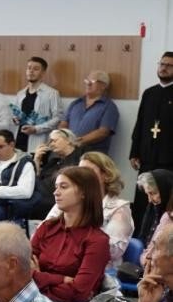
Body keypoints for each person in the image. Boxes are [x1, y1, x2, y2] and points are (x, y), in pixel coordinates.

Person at [30, 165, 110, 302]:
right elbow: (21, 271)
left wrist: (38, 278)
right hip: (33, 300)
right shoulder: (47, 227)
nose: (56, 192)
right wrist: (60, 279)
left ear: (83, 193)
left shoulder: (98, 241)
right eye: (56, 187)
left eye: (63, 187)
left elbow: (77, 292)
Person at [43, 152, 133, 273]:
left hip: (98, 270)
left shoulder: (119, 209)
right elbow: (43, 233)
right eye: (79, 171)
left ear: (106, 176)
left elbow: (112, 250)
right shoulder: (67, 200)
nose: (82, 176)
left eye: (87, 171)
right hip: (58, 263)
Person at [130, 51, 173, 221]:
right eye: (162, 64)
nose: (164, 68)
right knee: (142, 199)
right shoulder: (149, 93)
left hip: (168, 160)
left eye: (169, 65)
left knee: (163, 200)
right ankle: (140, 232)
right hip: (146, 157)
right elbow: (140, 123)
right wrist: (134, 152)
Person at [61, 70, 121, 154]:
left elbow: (103, 132)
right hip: (68, 152)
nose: (88, 84)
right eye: (87, 81)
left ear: (103, 86)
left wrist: (77, 142)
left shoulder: (109, 107)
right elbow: (63, 123)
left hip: (92, 155)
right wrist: (63, 138)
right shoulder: (76, 103)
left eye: (93, 81)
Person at [31, 127, 84, 218]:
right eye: (50, 142)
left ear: (68, 141)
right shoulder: (54, 161)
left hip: (54, 199)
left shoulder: (79, 160)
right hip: (40, 195)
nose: (51, 144)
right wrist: (37, 160)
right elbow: (38, 177)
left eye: (54, 141)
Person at [14, 56, 63, 152]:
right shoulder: (20, 94)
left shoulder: (52, 93)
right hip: (19, 141)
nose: (31, 71)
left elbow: (58, 118)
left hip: (39, 144)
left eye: (36, 69)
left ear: (43, 73)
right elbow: (16, 115)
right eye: (29, 68)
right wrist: (15, 119)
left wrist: (36, 129)